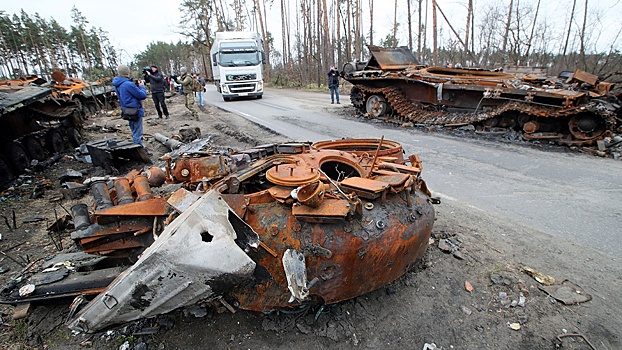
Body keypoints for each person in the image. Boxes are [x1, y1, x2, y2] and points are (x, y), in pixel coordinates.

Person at [112, 64, 149, 151]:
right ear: (127, 73)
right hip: (135, 110)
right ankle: (138, 151)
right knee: (137, 133)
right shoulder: (128, 84)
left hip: (126, 110)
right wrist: (142, 87)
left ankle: (138, 148)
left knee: (134, 131)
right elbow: (142, 95)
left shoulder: (117, 84)